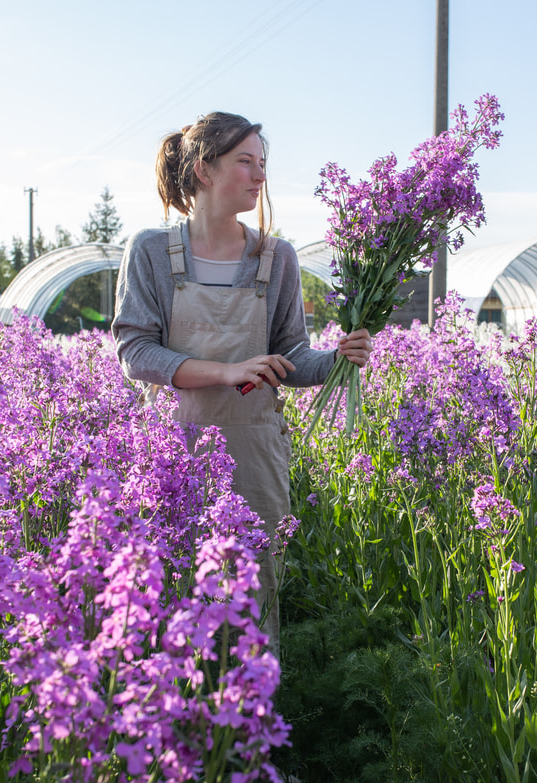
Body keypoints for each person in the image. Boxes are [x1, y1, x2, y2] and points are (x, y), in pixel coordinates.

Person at [113, 111, 371, 654]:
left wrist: (338, 359)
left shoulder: (276, 257)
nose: (259, 177)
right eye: (245, 163)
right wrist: (226, 372)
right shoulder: (152, 252)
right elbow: (136, 353)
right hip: (173, 453)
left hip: (254, 452)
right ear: (204, 170)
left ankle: (249, 727)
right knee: (173, 593)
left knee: (255, 602)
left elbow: (291, 356)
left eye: (263, 165)